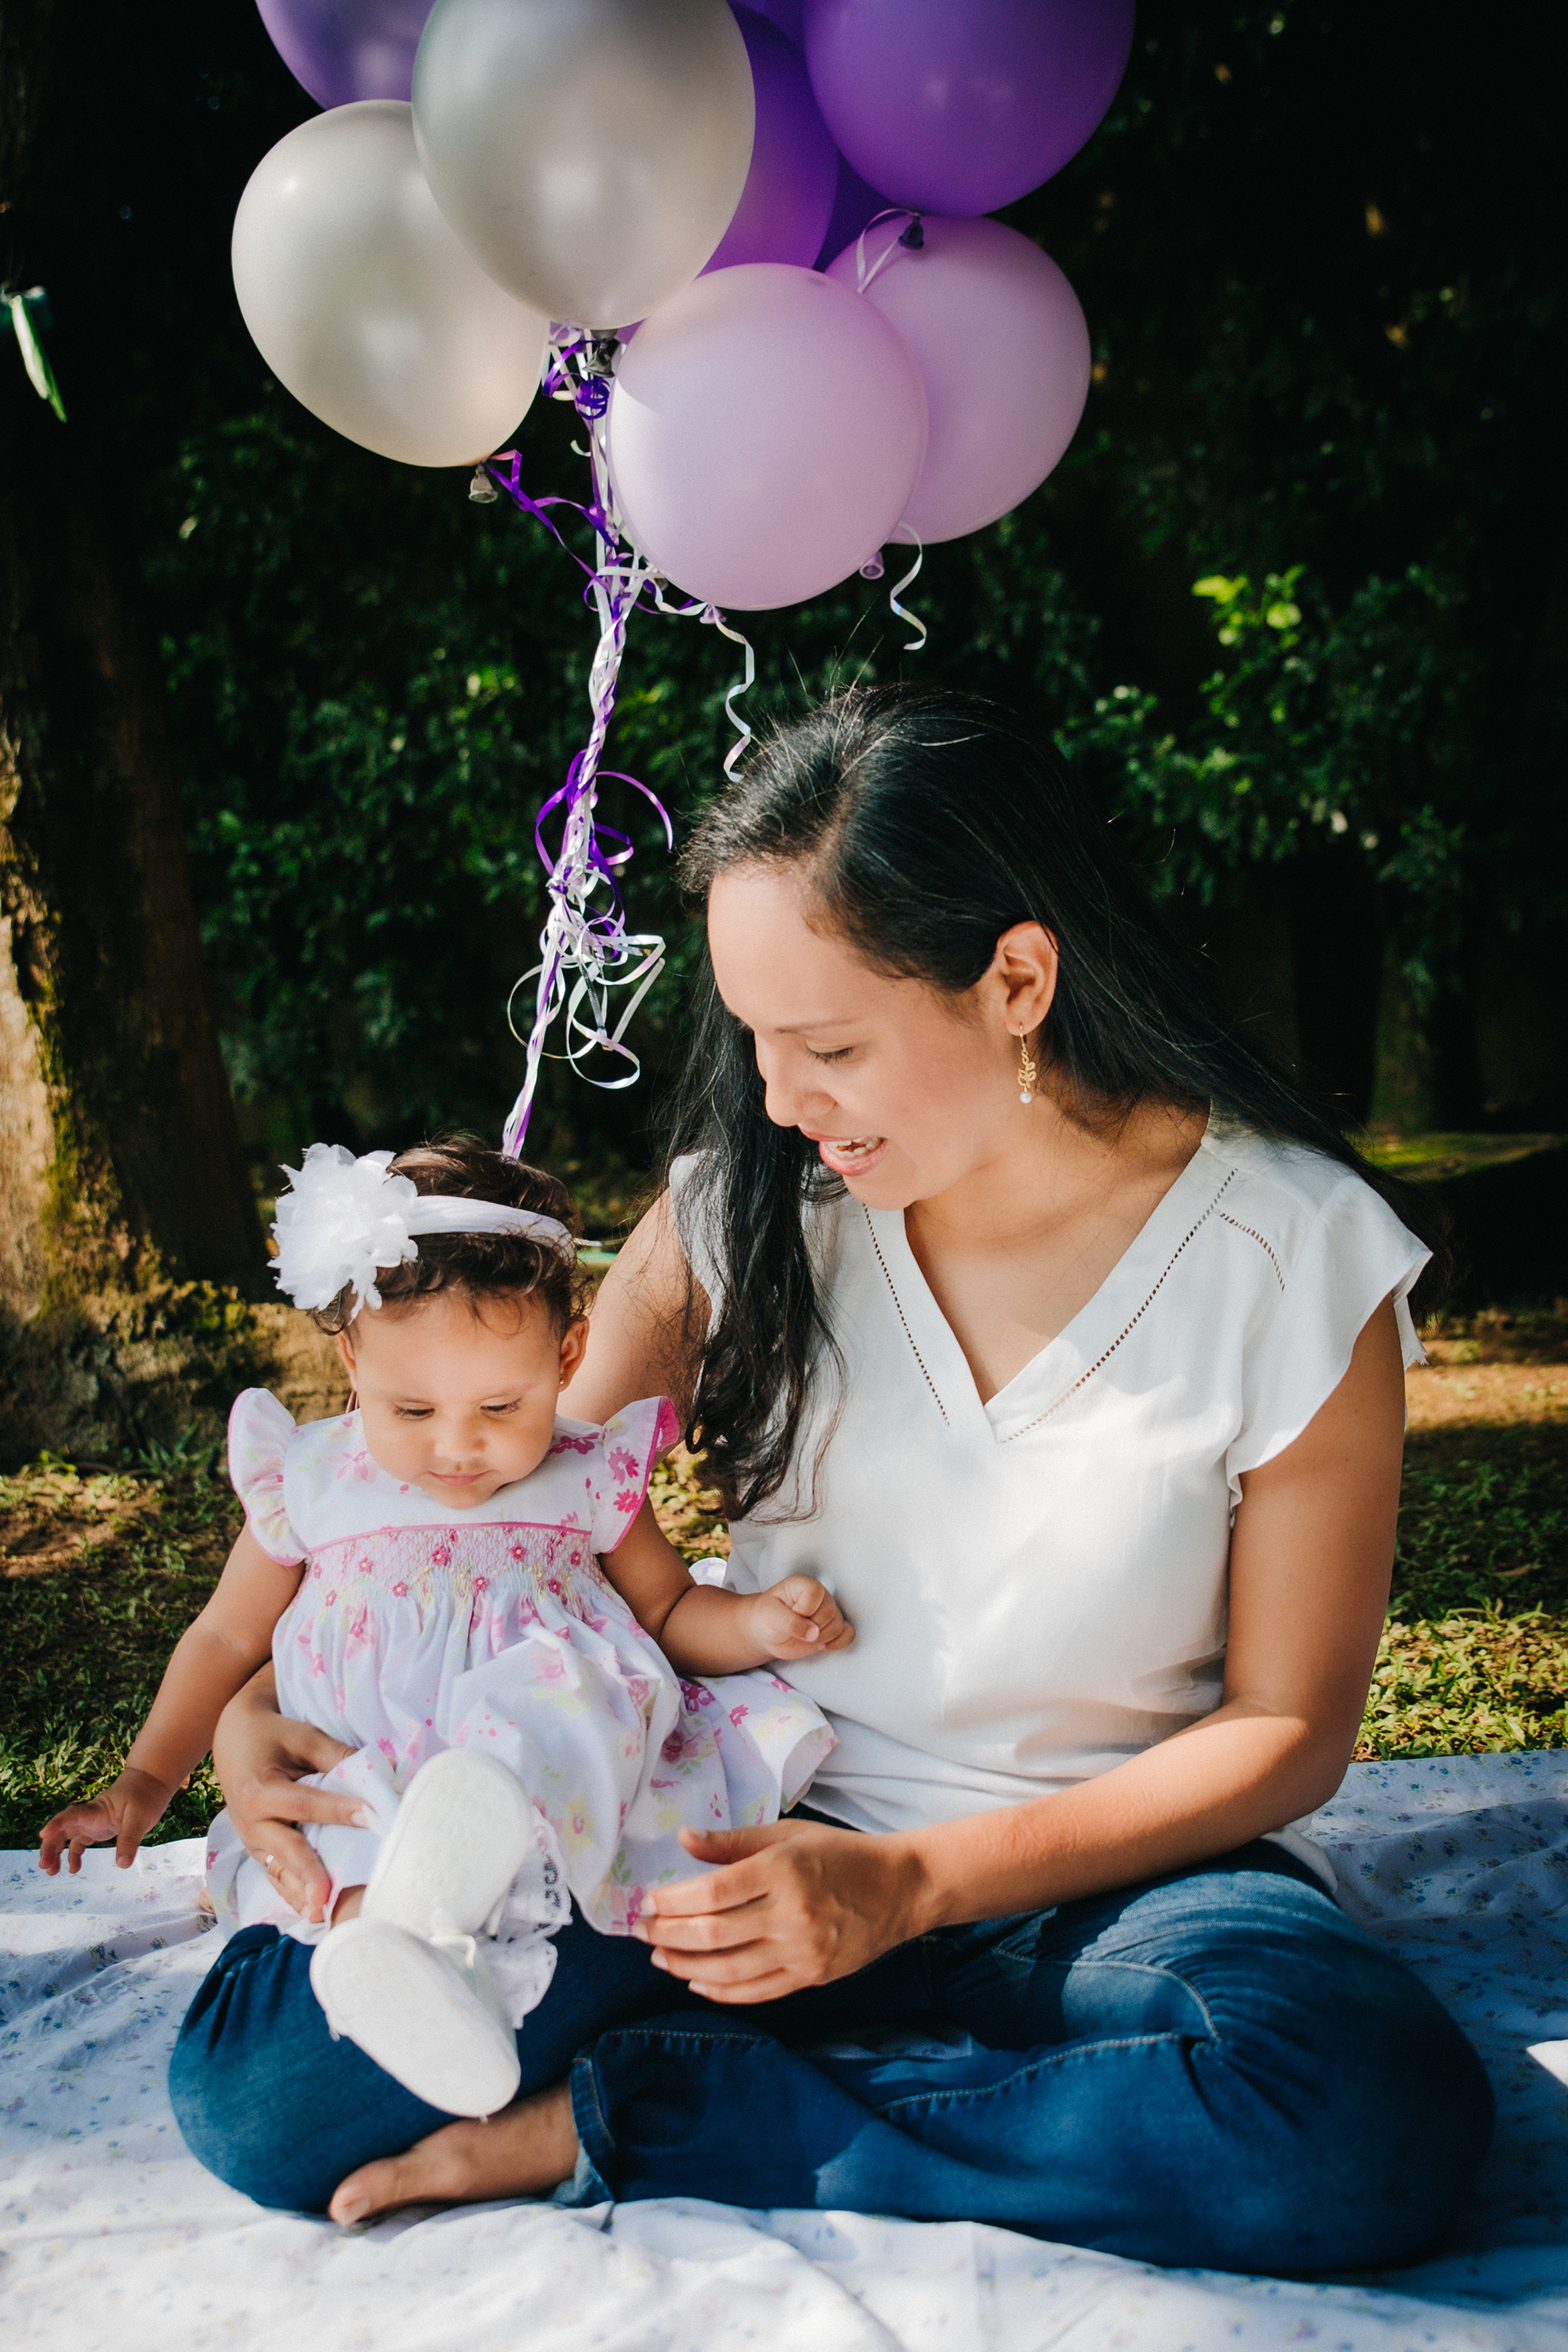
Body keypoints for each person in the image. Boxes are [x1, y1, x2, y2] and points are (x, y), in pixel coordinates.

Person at [167, 687, 1493, 2269]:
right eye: (755, 1038)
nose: (782, 1100)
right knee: (263, 2094)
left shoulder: (1289, 1255)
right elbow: (488, 1523)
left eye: (832, 1046)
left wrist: (910, 1884)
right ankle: (921, 2092)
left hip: (1101, 1883)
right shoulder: (746, 1218)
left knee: (1361, 2117)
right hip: (727, 1826)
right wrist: (252, 1705)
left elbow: (1288, 1731)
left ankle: (650, 2114)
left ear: (1017, 980)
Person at [40, 1138, 841, 2119]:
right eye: (412, 1408)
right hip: (366, 1765)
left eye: (501, 1405)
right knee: (340, 1863)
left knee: (548, 1696)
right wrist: (146, 1779)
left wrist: (756, 1623)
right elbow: (223, 1639)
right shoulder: (312, 1479)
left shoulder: (587, 1476)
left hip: (539, 1776)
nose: (458, 1445)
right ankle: (407, 1966)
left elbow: (669, 1611)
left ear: (568, 1355)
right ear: (352, 1359)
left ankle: (445, 1922)